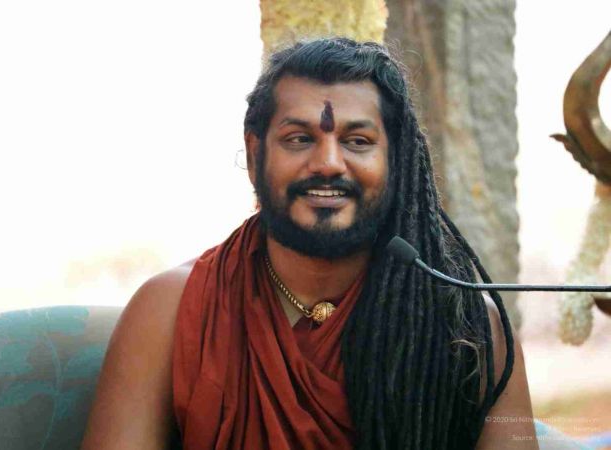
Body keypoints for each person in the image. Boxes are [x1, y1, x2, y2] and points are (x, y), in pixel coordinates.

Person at [81, 38, 537, 450]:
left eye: (357, 141)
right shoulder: (170, 309)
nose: (328, 163)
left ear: (396, 161)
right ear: (255, 153)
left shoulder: (474, 330)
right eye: (299, 139)